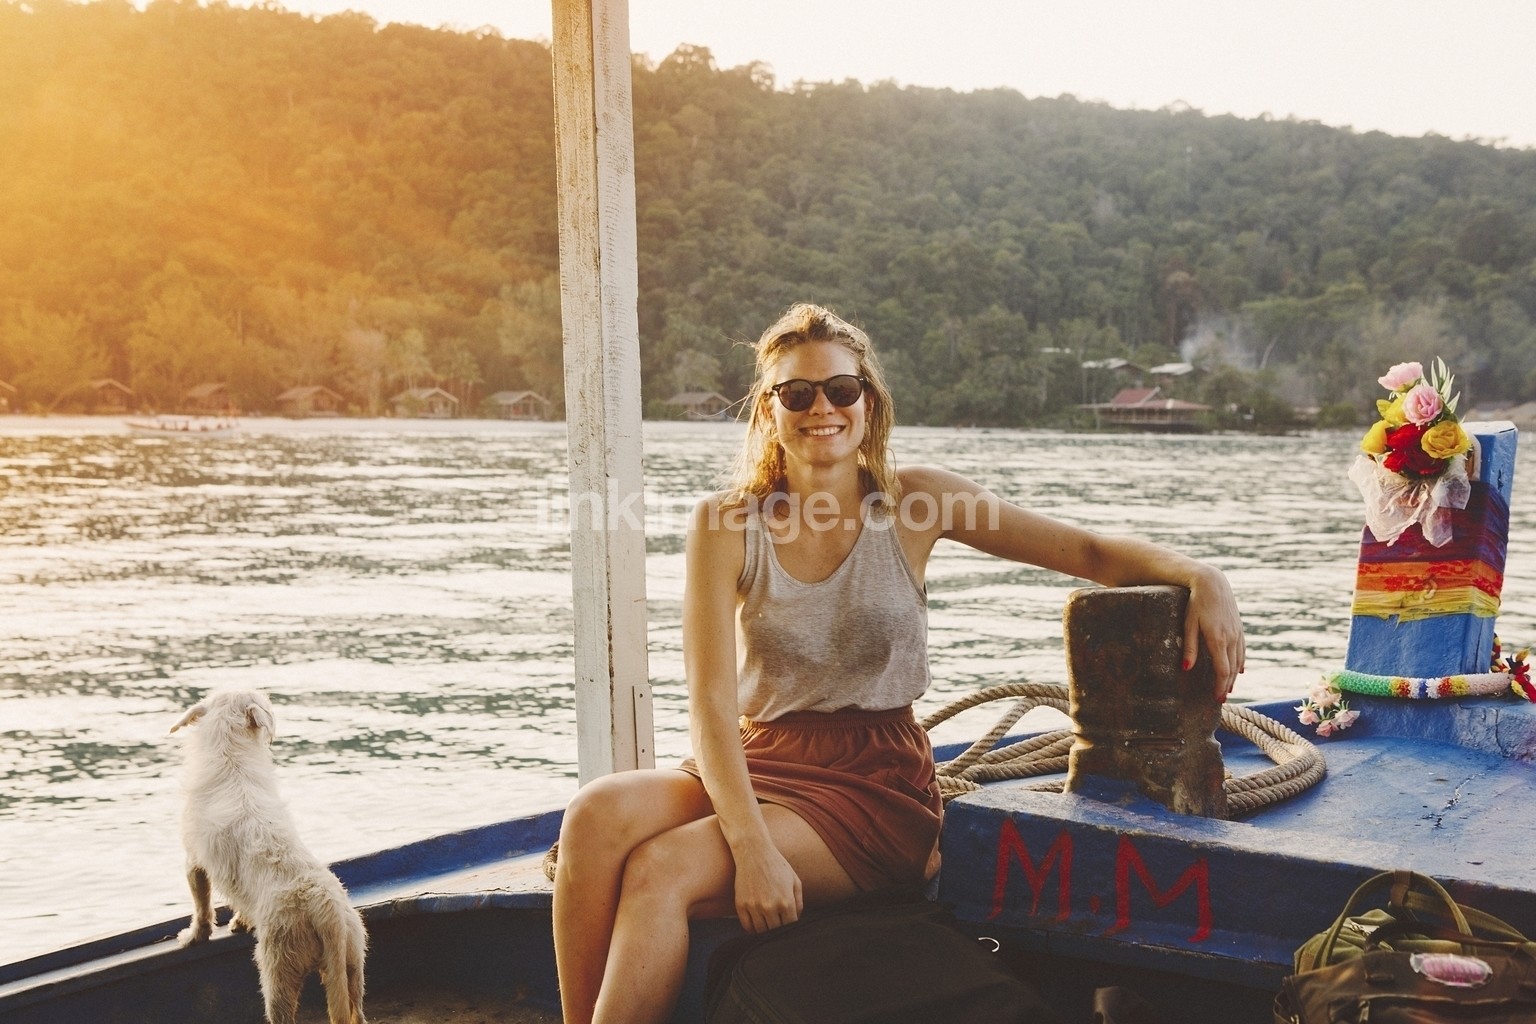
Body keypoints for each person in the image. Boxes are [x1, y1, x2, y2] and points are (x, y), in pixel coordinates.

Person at [551, 303, 1245, 1024]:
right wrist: (751, 845)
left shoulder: (918, 501)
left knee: (660, 872)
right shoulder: (727, 522)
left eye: (841, 389)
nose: (822, 408)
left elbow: (1087, 552)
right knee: (595, 816)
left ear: (869, 401)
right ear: (769, 409)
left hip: (871, 783)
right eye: (797, 393)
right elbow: (709, 705)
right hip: (764, 756)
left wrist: (1200, 574)